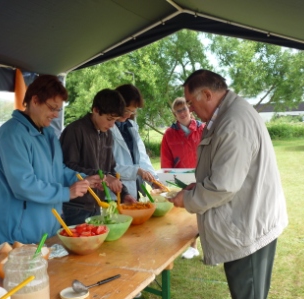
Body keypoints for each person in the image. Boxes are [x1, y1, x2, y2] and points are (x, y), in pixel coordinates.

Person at [168, 70, 288, 299]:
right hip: (248, 220)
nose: (190, 110)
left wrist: (188, 199)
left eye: (191, 103)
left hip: (248, 227)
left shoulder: (234, 121)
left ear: (207, 94)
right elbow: (226, 171)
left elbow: (223, 186)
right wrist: (197, 187)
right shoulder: (230, 114)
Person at [0, 75, 100, 246]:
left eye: (58, 110)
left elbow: (58, 171)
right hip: (17, 238)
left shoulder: (47, 133)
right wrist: (66, 192)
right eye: (52, 108)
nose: (55, 115)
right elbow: (24, 185)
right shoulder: (12, 135)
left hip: (47, 232)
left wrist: (83, 179)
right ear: (35, 100)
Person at [60, 89, 136, 226]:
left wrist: (124, 193)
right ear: (95, 110)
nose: (112, 125)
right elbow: (67, 167)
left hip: (96, 206)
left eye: (115, 120)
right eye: (109, 119)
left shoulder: (108, 135)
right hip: (74, 207)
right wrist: (104, 177)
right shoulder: (75, 130)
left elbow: (110, 170)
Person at [161, 97, 205, 259]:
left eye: (184, 109)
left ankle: (211, 248)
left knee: (206, 213)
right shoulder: (169, 134)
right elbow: (166, 160)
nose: (182, 113)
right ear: (174, 114)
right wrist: (168, 179)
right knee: (186, 216)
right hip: (182, 181)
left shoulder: (203, 129)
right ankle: (192, 247)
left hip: (203, 178)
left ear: (190, 110)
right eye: (178, 110)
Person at [112, 84, 160, 199]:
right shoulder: (106, 129)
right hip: (113, 192)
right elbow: (105, 167)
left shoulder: (131, 126)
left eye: (132, 112)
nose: (129, 115)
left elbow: (142, 158)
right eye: (126, 110)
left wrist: (154, 181)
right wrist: (136, 171)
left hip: (134, 189)